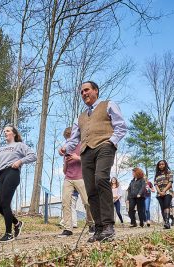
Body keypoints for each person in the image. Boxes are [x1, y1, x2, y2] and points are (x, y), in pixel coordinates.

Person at [59, 81, 127, 242]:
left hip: (104, 146)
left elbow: (121, 126)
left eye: (87, 90)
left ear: (95, 91)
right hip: (86, 152)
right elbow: (74, 139)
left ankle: (108, 225)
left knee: (101, 179)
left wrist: (112, 141)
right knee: (90, 189)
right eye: (81, 92)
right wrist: (65, 148)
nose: (84, 93)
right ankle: (99, 228)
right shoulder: (80, 117)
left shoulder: (108, 105)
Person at [0, 126, 36, 242]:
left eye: (8, 130)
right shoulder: (2, 149)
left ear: (14, 134)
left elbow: (33, 156)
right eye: (4, 131)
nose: (5, 132)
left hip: (12, 172)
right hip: (1, 174)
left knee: (5, 202)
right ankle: (17, 223)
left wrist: (20, 161)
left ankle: (8, 233)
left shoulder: (20, 145)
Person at [58, 127, 94, 238]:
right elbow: (64, 169)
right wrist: (66, 163)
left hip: (81, 177)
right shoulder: (66, 149)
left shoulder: (82, 145)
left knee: (87, 202)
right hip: (68, 178)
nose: (68, 141)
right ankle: (68, 229)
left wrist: (77, 158)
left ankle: (91, 224)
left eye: (70, 138)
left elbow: (90, 161)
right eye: (66, 139)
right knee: (65, 203)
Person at [154, 160, 173, 229]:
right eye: (159, 165)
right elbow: (155, 184)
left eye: (162, 164)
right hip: (159, 194)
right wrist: (160, 192)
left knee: (166, 205)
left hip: (168, 192)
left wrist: (164, 191)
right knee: (162, 208)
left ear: (165, 165)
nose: (161, 165)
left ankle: (167, 222)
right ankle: (165, 222)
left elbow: (170, 182)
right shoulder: (157, 175)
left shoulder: (169, 172)